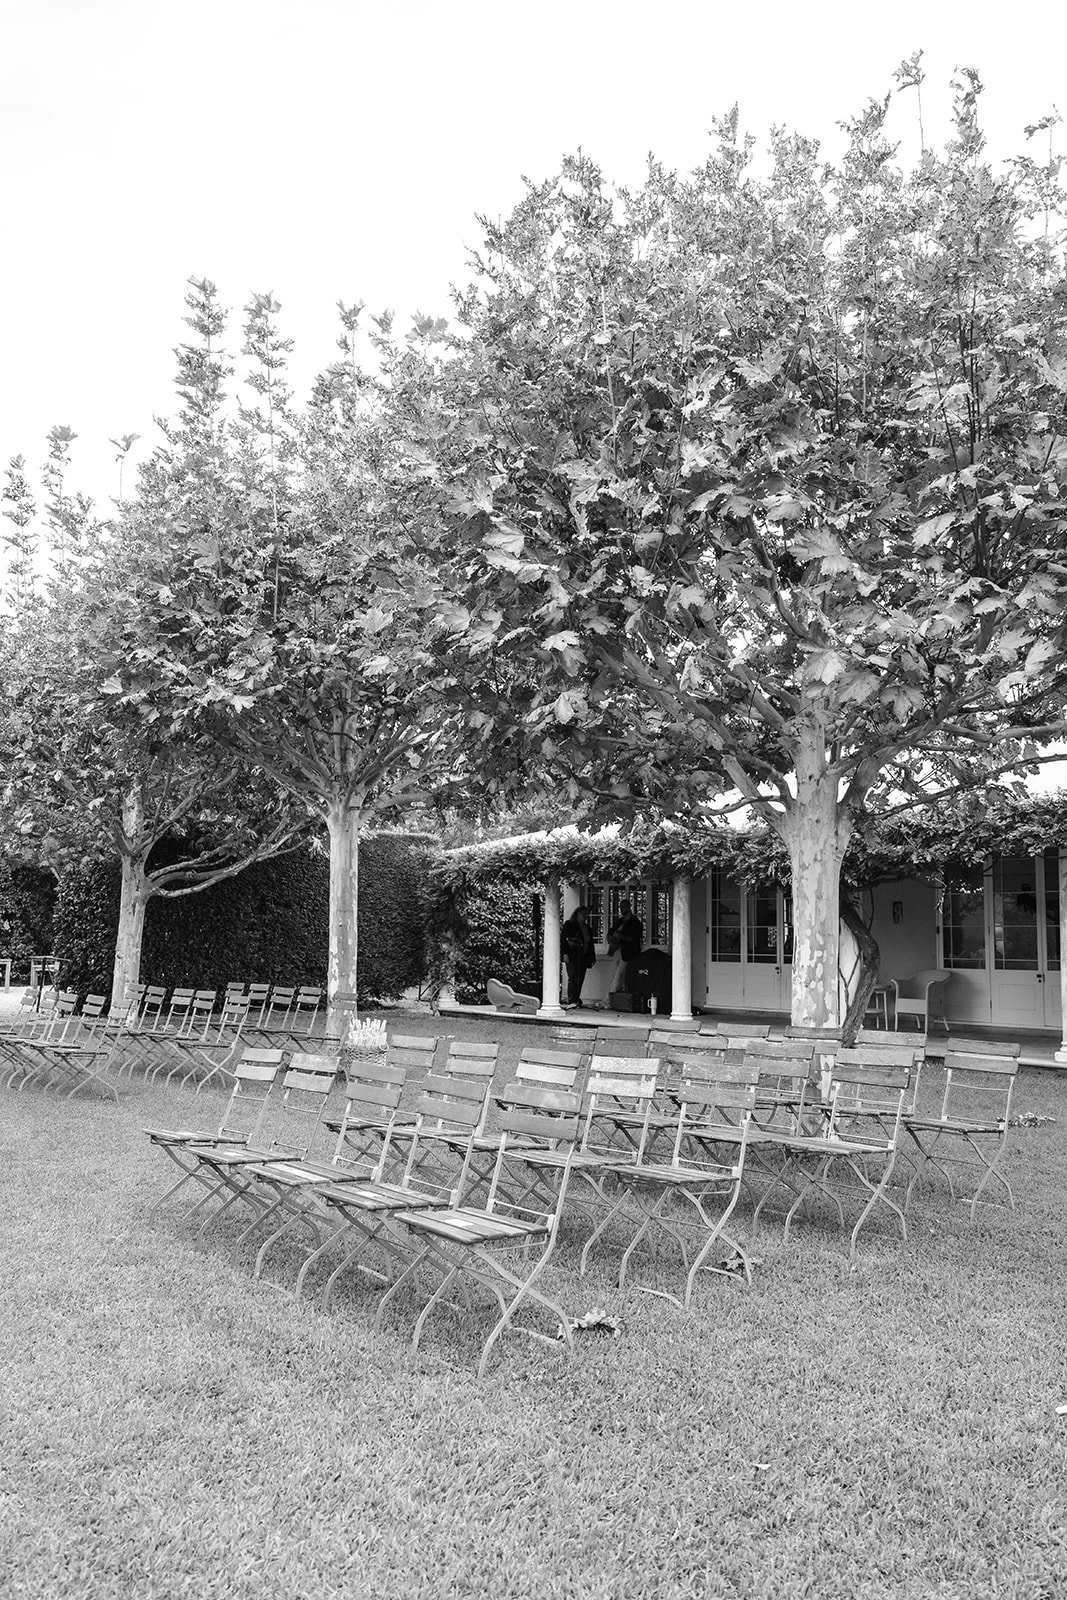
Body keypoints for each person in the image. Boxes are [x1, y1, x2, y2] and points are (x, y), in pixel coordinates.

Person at [560, 904, 596, 1008]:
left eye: (586, 915)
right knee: (573, 977)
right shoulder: (569, 924)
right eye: (583, 914)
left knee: (580, 978)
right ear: (577, 914)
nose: (585, 916)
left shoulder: (586, 928)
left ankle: (576, 998)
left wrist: (592, 957)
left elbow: (590, 944)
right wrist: (565, 954)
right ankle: (572, 999)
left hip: (583, 956)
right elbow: (563, 940)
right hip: (572, 955)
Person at [606, 900, 643, 991]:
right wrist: (610, 937)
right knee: (613, 975)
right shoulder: (619, 921)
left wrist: (621, 936)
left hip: (628, 953)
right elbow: (611, 931)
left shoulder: (635, 922)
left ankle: (611, 999)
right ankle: (612, 998)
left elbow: (634, 939)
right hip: (617, 950)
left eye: (623, 906)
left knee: (619, 976)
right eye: (620, 906)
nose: (621, 909)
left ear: (628, 907)